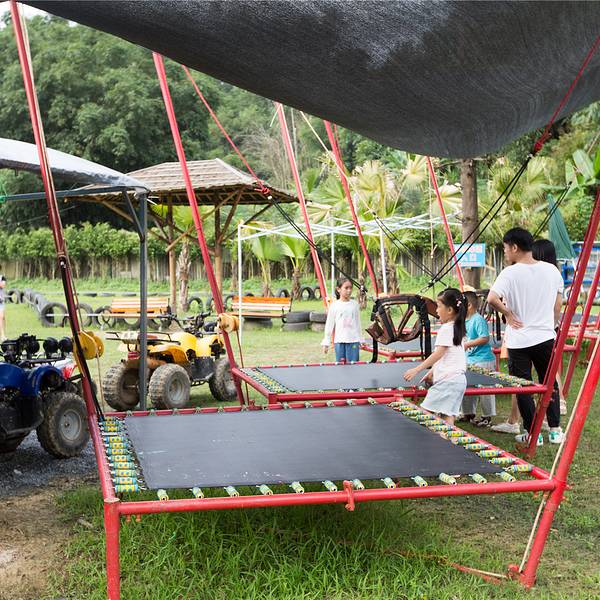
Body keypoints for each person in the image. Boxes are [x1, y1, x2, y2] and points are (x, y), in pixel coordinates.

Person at [487, 228, 564, 446]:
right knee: (549, 383)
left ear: (514, 247)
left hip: (519, 339)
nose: (505, 252)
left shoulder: (510, 273)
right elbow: (557, 306)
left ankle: (533, 434)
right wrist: (550, 325)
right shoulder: (552, 271)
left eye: (505, 248)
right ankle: (555, 430)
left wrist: (508, 314)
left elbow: (492, 298)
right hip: (545, 336)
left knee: (523, 386)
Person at [404, 288, 467, 426]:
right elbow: (449, 355)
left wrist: (416, 369)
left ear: (449, 310)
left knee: (425, 414)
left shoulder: (446, 329)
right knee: (447, 416)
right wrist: (432, 371)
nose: (436, 311)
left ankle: (431, 440)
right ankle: (446, 439)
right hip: (458, 380)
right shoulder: (457, 328)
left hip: (448, 381)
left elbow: (438, 354)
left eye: (438, 306)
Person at [532, 239, 567, 416]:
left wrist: (549, 325)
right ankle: (558, 401)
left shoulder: (544, 275)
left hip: (544, 328)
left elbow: (557, 306)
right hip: (550, 327)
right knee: (549, 367)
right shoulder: (555, 273)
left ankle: (559, 401)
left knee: (548, 369)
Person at [459, 290, 496, 426]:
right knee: (467, 385)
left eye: (460, 305)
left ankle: (487, 415)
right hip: (469, 359)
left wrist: (467, 344)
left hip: (483, 359)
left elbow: (484, 338)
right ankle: (468, 412)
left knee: (486, 388)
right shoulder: (463, 321)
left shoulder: (478, 319)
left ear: (468, 305)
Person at [321, 277, 361, 363]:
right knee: (340, 367)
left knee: (354, 366)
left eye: (350, 288)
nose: (349, 290)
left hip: (353, 341)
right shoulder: (334, 306)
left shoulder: (355, 305)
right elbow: (329, 324)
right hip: (339, 341)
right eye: (346, 288)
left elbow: (358, 323)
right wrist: (326, 342)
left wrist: (360, 339)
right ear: (338, 289)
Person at [0, 270, 6, 341]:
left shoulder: (2, 277)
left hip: (0, 301)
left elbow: (3, 285)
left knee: (2, 317)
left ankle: (3, 335)